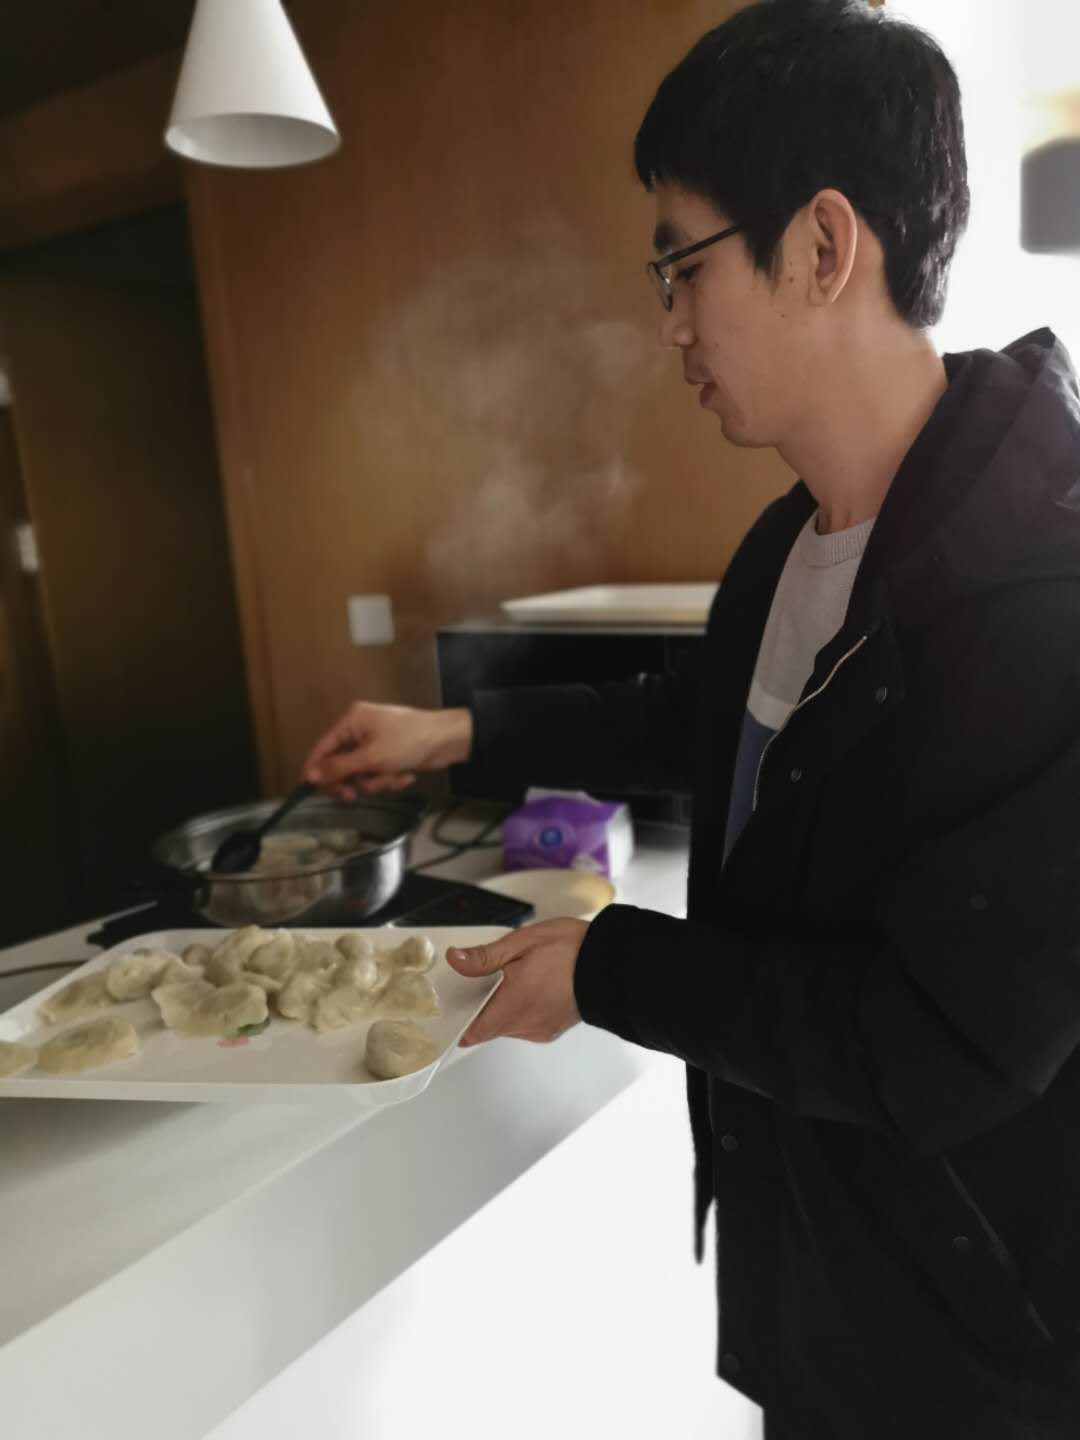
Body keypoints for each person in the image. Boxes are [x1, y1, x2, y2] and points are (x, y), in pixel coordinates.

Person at [304, 2, 1080, 1434]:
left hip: (977, 1338)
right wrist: (454, 734)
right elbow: (704, 721)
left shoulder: (1042, 591)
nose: (668, 322)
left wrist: (611, 969)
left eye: (683, 265)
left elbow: (935, 1044)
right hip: (814, 1263)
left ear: (825, 246)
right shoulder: (789, 542)